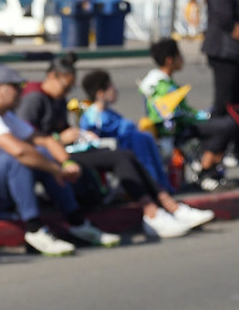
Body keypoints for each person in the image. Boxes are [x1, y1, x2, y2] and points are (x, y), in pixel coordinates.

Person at [0, 64, 116, 256]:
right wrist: (56, 170)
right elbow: (19, 152)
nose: (22, 92)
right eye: (16, 87)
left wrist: (67, 163)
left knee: (39, 153)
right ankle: (34, 230)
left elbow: (45, 141)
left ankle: (77, 223)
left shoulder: (4, 115)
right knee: (16, 160)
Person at [24, 54, 208, 233]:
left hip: (69, 150)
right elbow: (26, 136)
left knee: (126, 155)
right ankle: (152, 210)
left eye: (70, 88)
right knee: (121, 158)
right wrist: (59, 138)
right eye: (65, 87)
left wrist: (79, 135)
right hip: (53, 156)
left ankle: (168, 203)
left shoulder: (57, 99)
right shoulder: (35, 99)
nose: (67, 93)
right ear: (52, 76)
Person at [75, 69, 212, 239]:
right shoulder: (93, 116)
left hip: (130, 152)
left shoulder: (108, 113)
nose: (115, 90)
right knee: (138, 141)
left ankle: (167, 201)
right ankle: (161, 206)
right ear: (100, 93)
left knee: (144, 138)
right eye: (111, 87)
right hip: (119, 157)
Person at [138, 37, 237, 188]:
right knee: (226, 126)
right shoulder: (162, 86)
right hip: (173, 131)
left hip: (179, 125)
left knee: (220, 122)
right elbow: (170, 116)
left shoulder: (159, 81)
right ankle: (205, 170)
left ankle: (206, 166)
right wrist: (200, 117)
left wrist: (202, 115)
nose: (182, 59)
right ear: (170, 60)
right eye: (179, 55)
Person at [200, 0, 239, 133]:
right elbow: (226, 19)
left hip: (231, 51)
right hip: (223, 51)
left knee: (235, 101)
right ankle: (213, 144)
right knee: (224, 102)